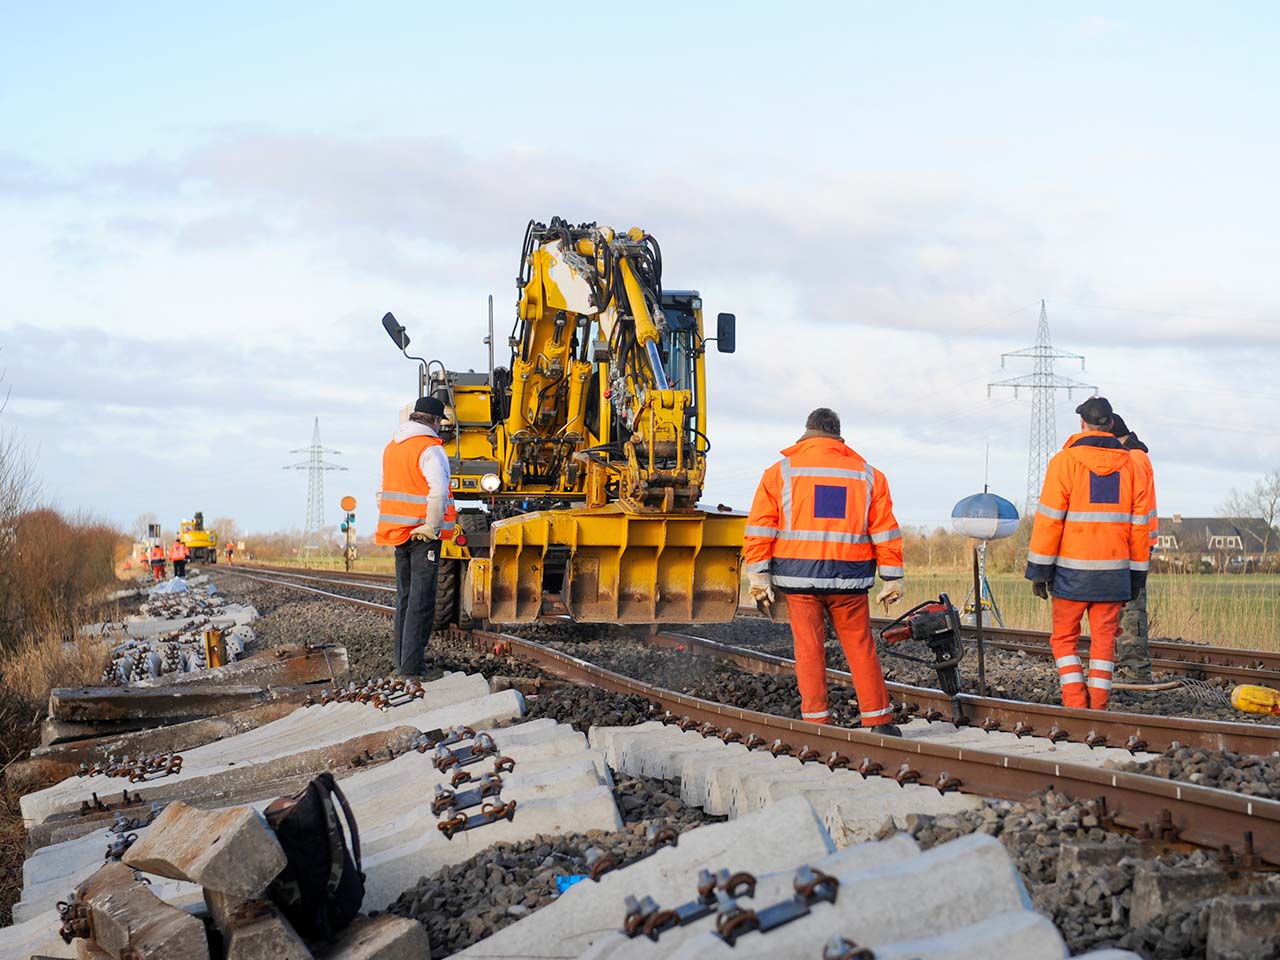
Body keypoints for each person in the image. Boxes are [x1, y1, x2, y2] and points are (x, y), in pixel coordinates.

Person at [743, 407, 906, 732]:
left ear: (807, 432)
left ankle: (817, 723)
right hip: (851, 579)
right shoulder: (869, 475)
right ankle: (879, 721)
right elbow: (884, 529)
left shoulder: (780, 473)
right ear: (838, 435)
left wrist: (759, 577)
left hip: (798, 579)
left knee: (808, 648)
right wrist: (892, 578)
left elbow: (761, 527)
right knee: (860, 646)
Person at [1026, 397, 1151, 710]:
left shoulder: (1064, 462)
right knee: (1104, 642)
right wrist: (1137, 574)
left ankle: (1074, 703)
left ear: (1082, 424)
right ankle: (1098, 706)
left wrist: (1039, 570)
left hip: (1071, 575)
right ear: (1110, 425)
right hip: (1114, 574)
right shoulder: (1133, 465)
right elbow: (1140, 526)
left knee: (1064, 640)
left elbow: (1049, 521)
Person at [375, 396, 457, 677]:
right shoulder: (430, 449)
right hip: (423, 535)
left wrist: (399, 520)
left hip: (399, 534)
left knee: (405, 599)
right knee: (421, 601)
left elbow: (381, 491)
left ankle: (402, 664)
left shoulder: (392, 448)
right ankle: (413, 669)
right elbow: (438, 491)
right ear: (434, 421)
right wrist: (431, 526)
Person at [1109, 413, 1157, 682]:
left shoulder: (1133, 460)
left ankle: (1136, 673)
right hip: (1132, 543)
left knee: (1130, 612)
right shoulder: (1135, 456)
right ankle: (1130, 669)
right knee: (1124, 610)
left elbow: (1133, 507)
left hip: (1133, 546)